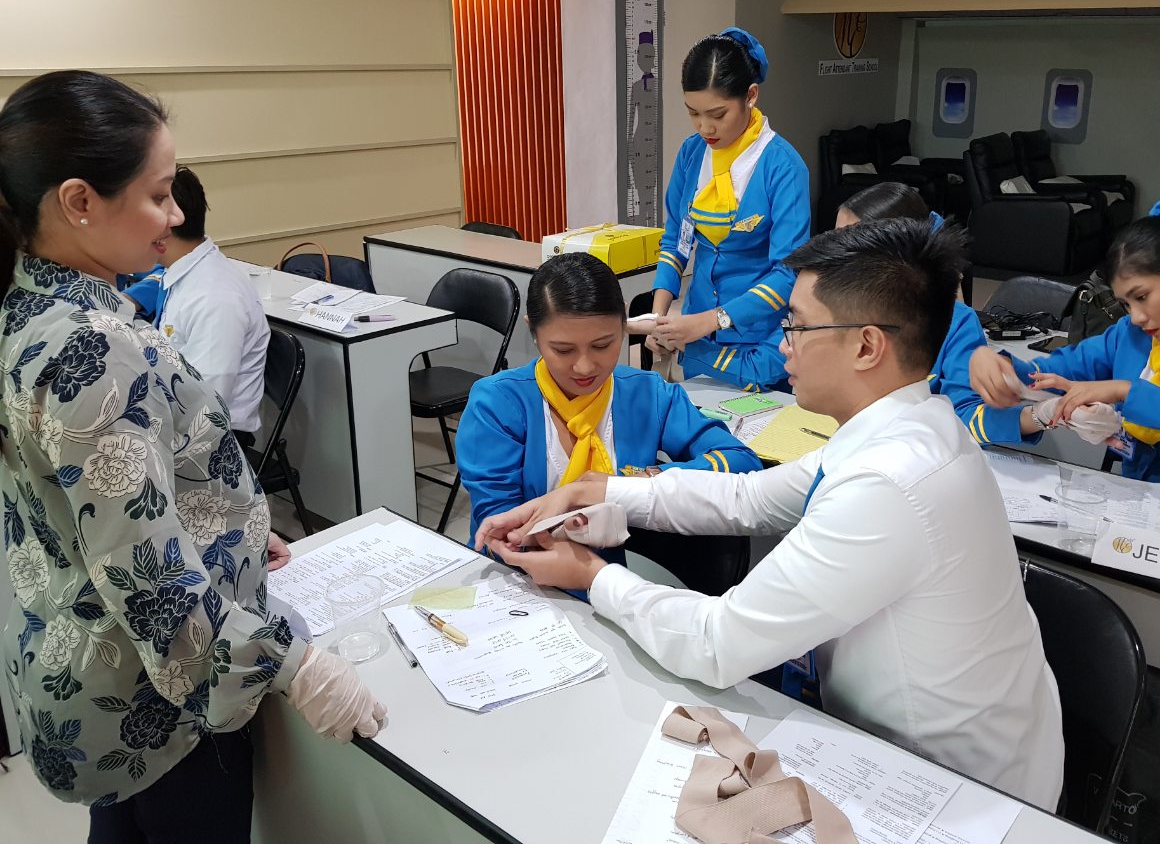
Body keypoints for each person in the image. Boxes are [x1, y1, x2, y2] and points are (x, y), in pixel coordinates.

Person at [478, 220, 1065, 809]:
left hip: (953, 790)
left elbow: (717, 643)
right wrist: (602, 490)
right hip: (926, 744)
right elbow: (749, 498)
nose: (783, 345)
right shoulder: (911, 425)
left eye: (798, 326)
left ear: (867, 346)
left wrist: (592, 575)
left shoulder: (887, 483)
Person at [0, 71, 384, 842]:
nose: (176, 215)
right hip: (161, 701)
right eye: (158, 194)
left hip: (86, 667)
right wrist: (294, 666)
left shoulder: (30, 306)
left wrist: (226, 528)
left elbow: (94, 507)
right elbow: (150, 588)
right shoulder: (93, 349)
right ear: (79, 202)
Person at [967, 197, 1160, 502]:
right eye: (1126, 304)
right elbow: (1053, 374)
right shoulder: (1130, 336)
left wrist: (1127, 392)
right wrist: (996, 365)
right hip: (1133, 507)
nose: (1136, 317)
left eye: (1141, 297)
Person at [456, 252, 761, 557]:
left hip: (611, 574)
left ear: (624, 324)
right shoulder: (498, 404)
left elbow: (740, 463)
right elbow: (500, 530)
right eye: (563, 350)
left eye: (603, 345)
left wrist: (639, 482)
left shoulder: (647, 394)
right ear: (533, 332)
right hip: (521, 572)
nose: (585, 367)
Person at [647, 27, 808, 394]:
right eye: (693, 113)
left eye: (717, 114)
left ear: (750, 95)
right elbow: (676, 242)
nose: (705, 127)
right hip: (697, 333)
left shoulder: (782, 166)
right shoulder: (692, 154)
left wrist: (711, 321)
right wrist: (658, 318)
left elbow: (788, 274)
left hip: (760, 338)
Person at [833, 183, 1019, 445]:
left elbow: (966, 419)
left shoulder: (955, 322)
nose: (838, 255)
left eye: (852, 243)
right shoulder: (832, 309)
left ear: (899, 249)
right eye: (835, 241)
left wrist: (1037, 417)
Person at [129, 165, 270, 446]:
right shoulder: (183, 270)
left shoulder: (215, 298)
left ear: (163, 227)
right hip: (179, 419)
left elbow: (206, 410)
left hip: (213, 444)